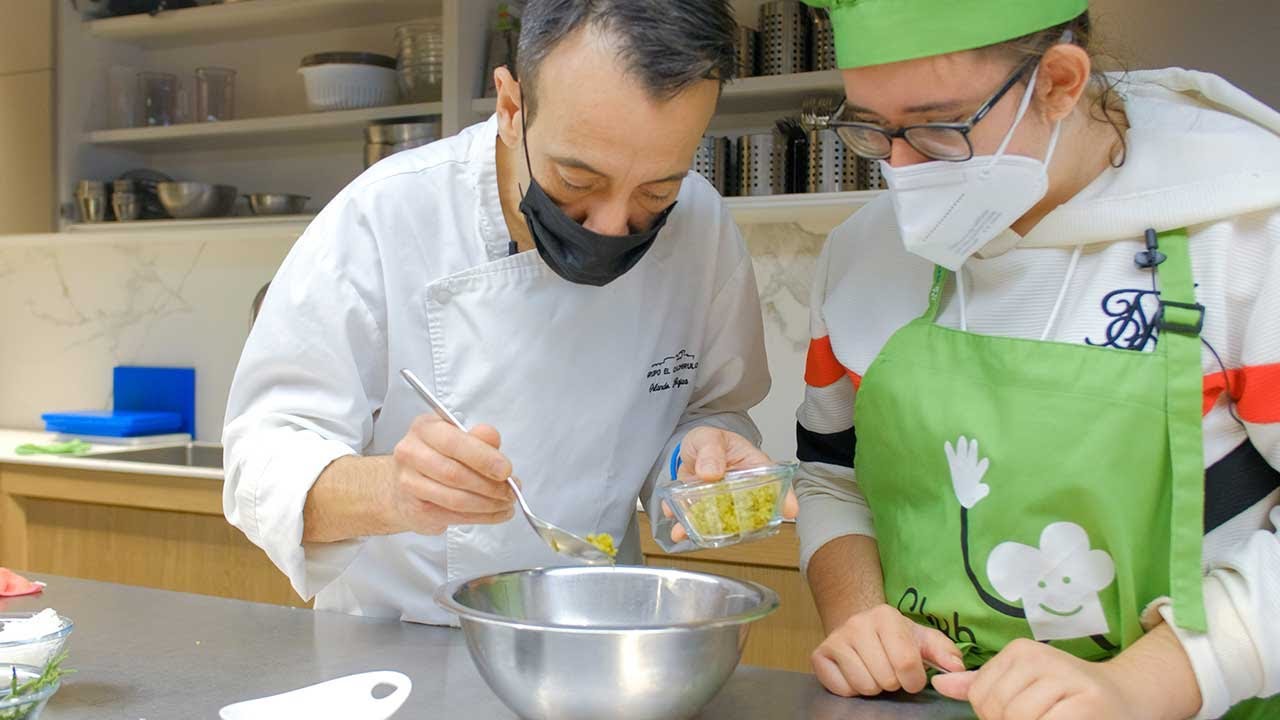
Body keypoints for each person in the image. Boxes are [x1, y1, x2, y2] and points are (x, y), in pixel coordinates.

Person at [793, 1, 1280, 718]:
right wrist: (858, 618)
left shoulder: (1244, 230)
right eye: (871, 129)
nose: (899, 171)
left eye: (936, 127)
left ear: (1057, 81)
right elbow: (831, 474)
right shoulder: (862, 256)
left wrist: (1139, 687)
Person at [222, 0, 780, 625]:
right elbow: (262, 460)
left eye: (657, 192)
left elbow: (709, 408)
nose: (612, 228)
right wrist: (393, 491)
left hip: (597, 640)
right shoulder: (383, 217)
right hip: (396, 651)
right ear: (512, 108)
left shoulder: (701, 229)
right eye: (577, 180)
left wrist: (697, 458)